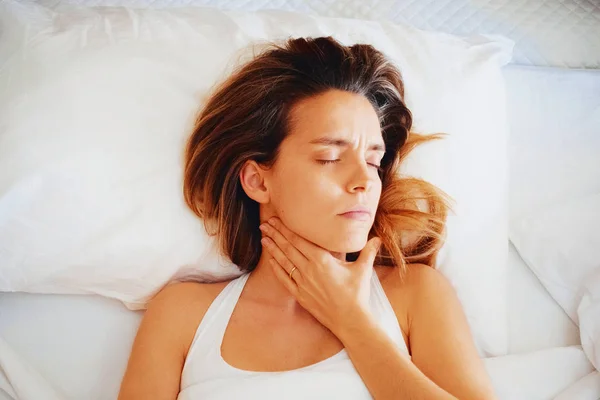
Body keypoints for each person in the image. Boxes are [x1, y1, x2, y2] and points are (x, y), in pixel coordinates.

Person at [118, 36, 497, 400]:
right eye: (330, 158)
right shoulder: (183, 315)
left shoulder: (414, 294)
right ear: (258, 180)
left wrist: (353, 323)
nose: (365, 180)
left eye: (373, 160)